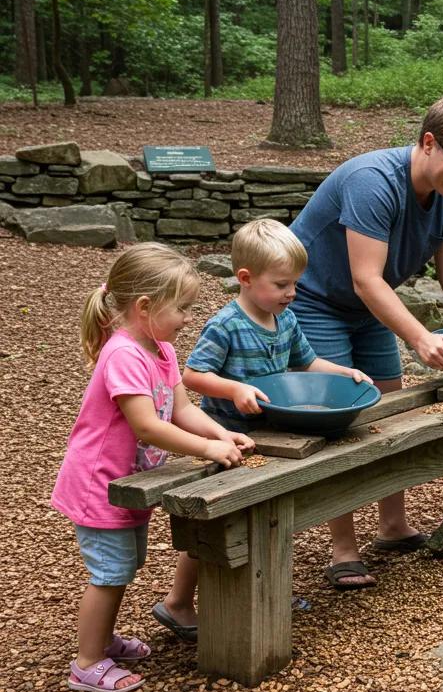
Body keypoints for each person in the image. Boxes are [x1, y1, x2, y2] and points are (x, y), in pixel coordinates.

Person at [288, 93, 443, 591]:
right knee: (342, 414)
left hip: (367, 303)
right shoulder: (374, 182)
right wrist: (419, 337)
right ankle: (342, 547)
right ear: (428, 142)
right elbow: (367, 278)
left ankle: (392, 524)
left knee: (392, 406)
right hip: (313, 298)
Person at [149, 219, 374, 641]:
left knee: (269, 515)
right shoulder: (227, 324)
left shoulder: (284, 319)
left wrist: (346, 372)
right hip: (228, 435)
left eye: (295, 284)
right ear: (246, 279)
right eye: (282, 284)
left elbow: (307, 363)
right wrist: (235, 389)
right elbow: (194, 374)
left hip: (273, 433)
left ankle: (262, 586)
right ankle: (178, 602)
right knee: (220, 524)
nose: (292, 293)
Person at [52, 244, 252, 692]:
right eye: (181, 308)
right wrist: (206, 448)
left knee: (123, 565)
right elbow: (146, 424)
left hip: (129, 481)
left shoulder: (158, 348)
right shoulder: (124, 354)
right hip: (100, 485)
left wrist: (221, 434)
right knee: (109, 574)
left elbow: (180, 408)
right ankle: (86, 662)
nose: (187, 318)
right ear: (144, 307)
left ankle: (101, 639)